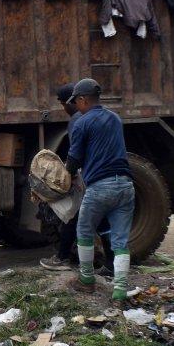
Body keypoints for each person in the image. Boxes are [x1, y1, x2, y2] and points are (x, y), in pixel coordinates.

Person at [64, 78, 136, 307]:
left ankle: (86, 279)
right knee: (120, 240)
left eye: (76, 102)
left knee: (84, 229)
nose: (76, 106)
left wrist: (67, 175)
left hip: (100, 187)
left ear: (83, 99)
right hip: (126, 186)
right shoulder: (114, 118)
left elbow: (74, 158)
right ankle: (120, 293)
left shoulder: (82, 123)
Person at [40, 83, 113, 275]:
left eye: (63, 103)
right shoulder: (108, 117)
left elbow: (75, 155)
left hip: (90, 178)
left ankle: (76, 267)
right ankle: (111, 267)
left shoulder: (78, 121)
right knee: (103, 222)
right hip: (107, 177)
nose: (63, 108)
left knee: (76, 219)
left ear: (74, 101)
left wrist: (69, 176)